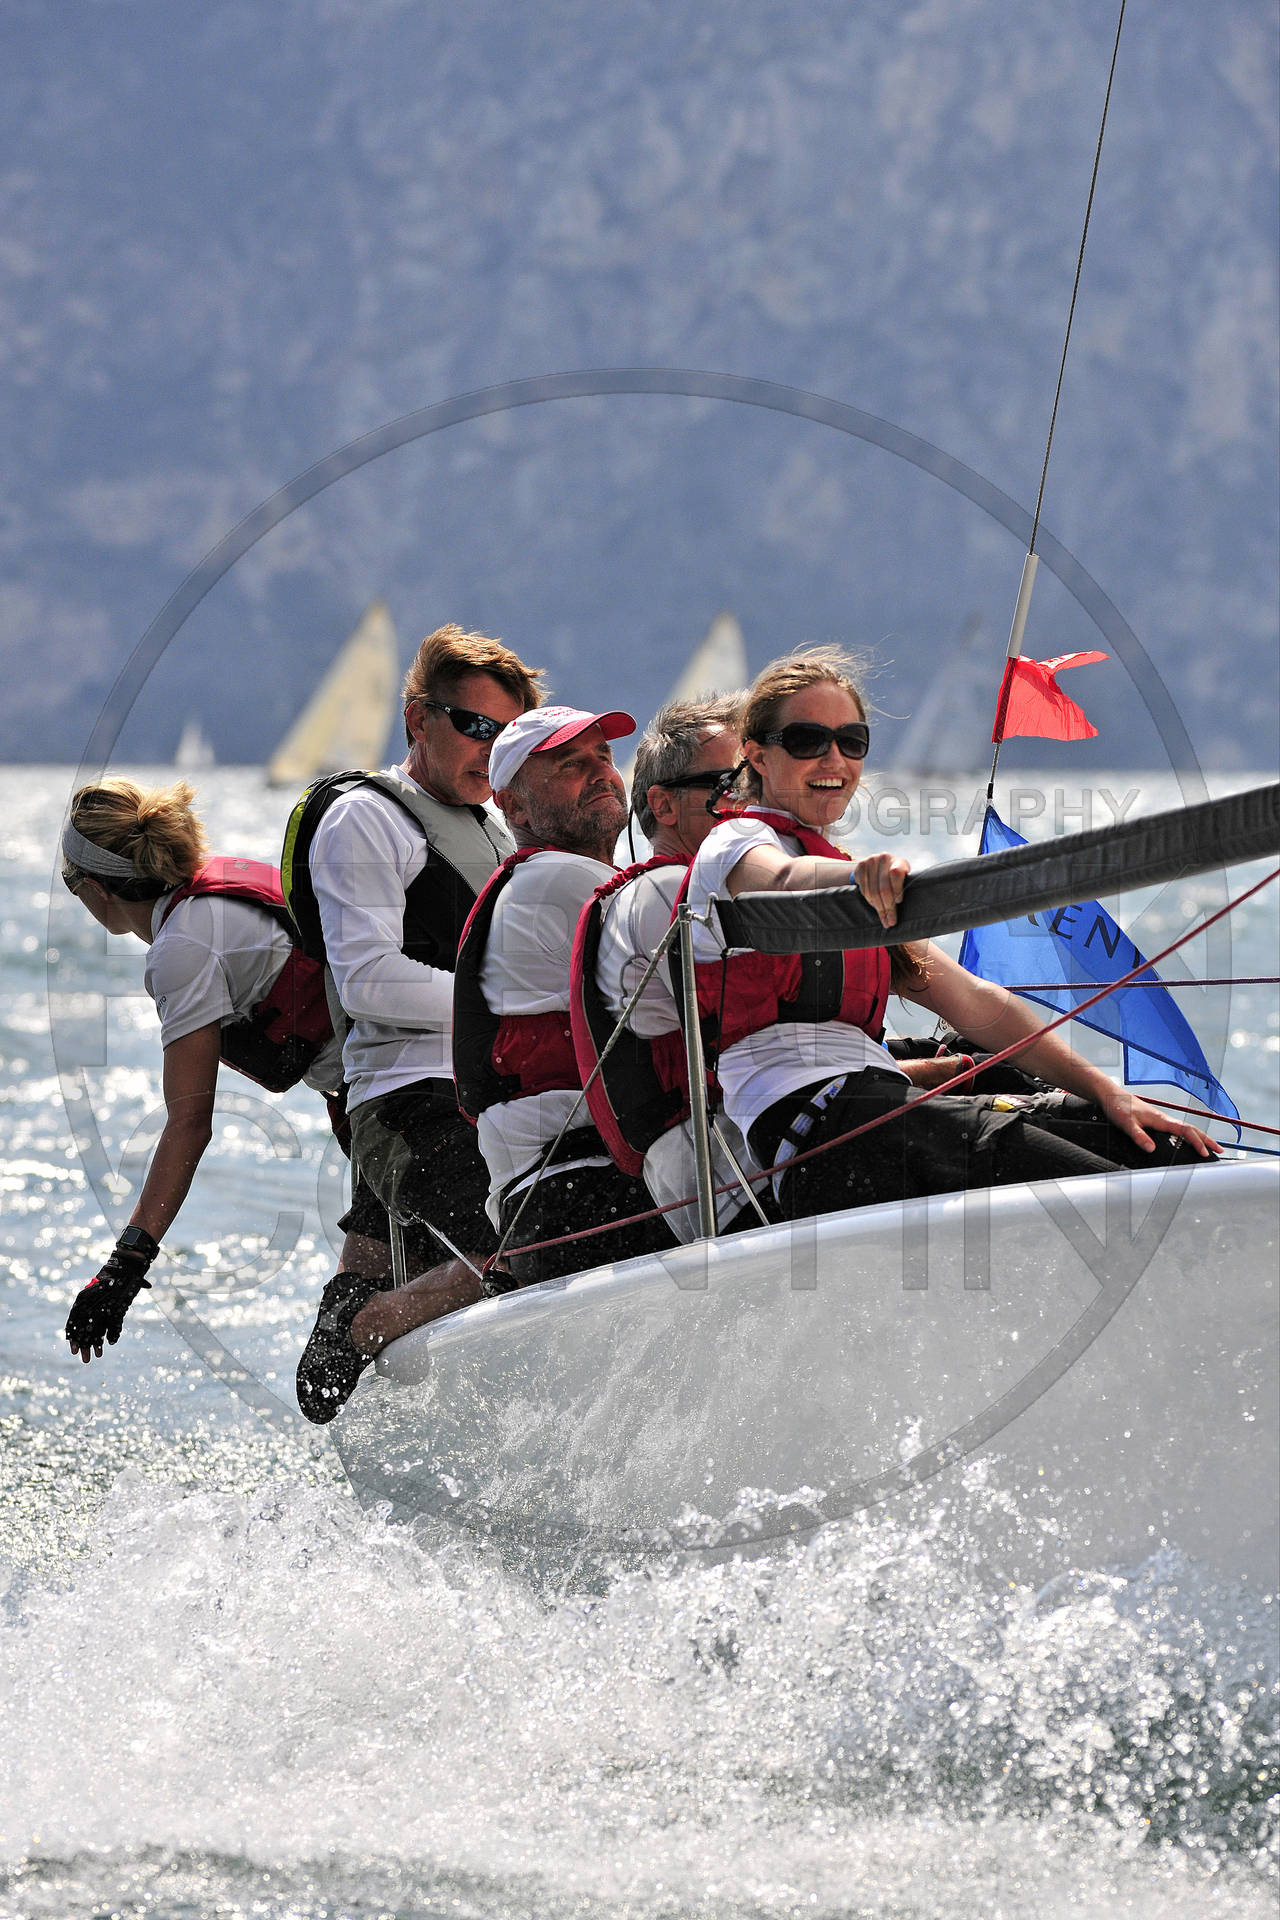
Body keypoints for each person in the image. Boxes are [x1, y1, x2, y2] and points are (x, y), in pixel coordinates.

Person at [682, 646, 1219, 1224]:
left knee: (1163, 1155)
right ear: (757, 755)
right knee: (1120, 1195)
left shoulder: (851, 877)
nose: (833, 758)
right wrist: (856, 876)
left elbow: (978, 1003)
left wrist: (1108, 1092)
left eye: (851, 741)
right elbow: (782, 879)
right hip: (818, 1130)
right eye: (807, 740)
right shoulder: (734, 844)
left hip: (881, 1106)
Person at [293, 624, 545, 1419]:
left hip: (485, 1088)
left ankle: (371, 1290)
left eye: (507, 736)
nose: (490, 750)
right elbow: (367, 981)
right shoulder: (367, 820)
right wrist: (512, 1000)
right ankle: (364, 1324)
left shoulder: (494, 830)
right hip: (409, 1095)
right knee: (524, 1239)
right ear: (417, 720)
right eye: (474, 726)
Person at [59, 778, 353, 1363]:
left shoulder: (181, 951)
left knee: (336, 1351)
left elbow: (189, 1123)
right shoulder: (214, 895)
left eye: (71, 885)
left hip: (393, 1094)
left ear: (94, 889)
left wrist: (124, 1266)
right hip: (399, 1073)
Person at [453, 705, 680, 1287]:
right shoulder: (560, 881)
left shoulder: (552, 881)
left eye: (604, 756)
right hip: (582, 1191)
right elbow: (717, 1006)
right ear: (514, 806)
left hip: (555, 1198)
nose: (602, 772)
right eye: (570, 765)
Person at [577, 695, 766, 1241]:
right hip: (728, 1179)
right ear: (663, 806)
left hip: (736, 1161)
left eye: (757, 782)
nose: (750, 800)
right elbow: (763, 1052)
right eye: (730, 783)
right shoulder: (668, 895)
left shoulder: (699, 892)